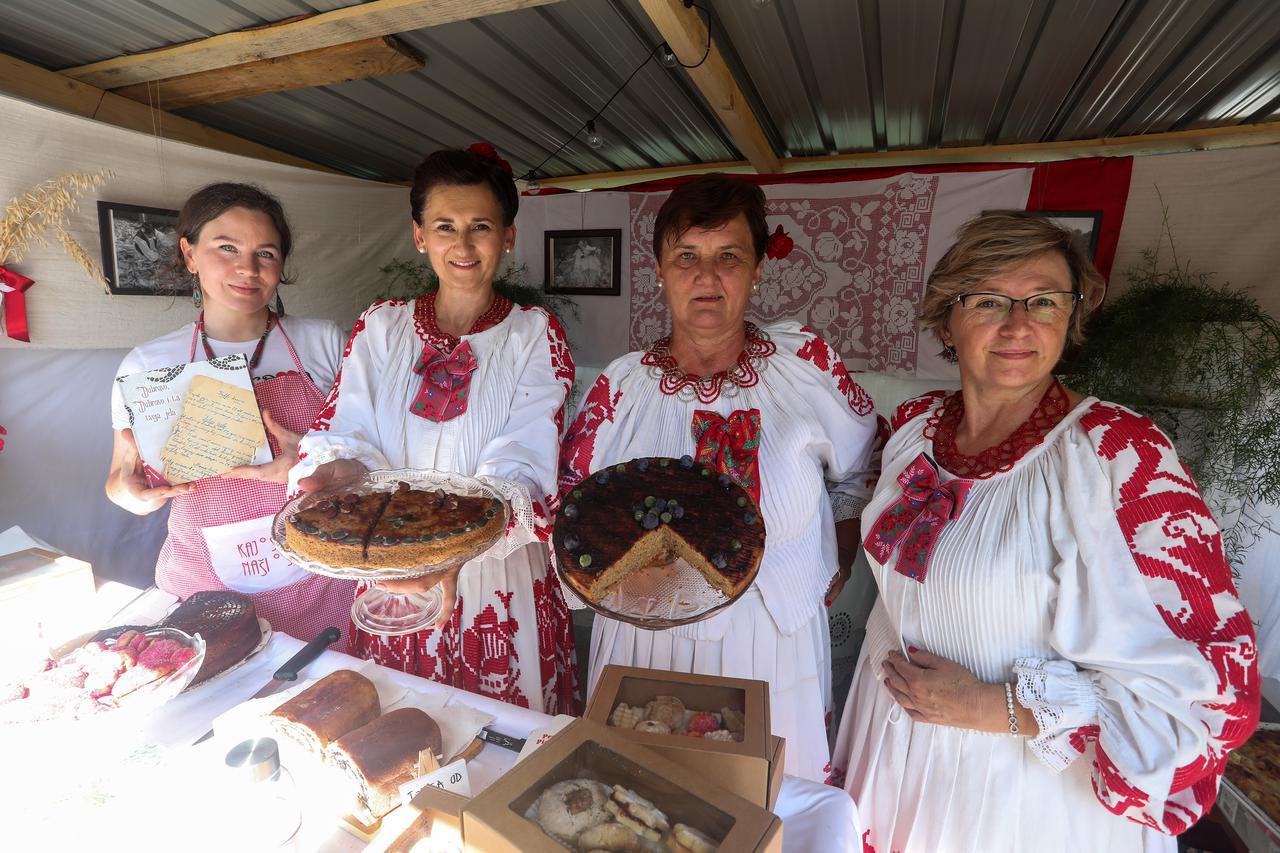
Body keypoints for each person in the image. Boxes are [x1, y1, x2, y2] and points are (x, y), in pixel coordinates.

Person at [830, 212, 1259, 852]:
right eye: (989, 301)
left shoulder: (1116, 454)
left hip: (1019, 796)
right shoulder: (916, 430)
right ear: (947, 317)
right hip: (890, 751)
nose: (1019, 324)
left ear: (1071, 317)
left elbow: (1206, 685)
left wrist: (992, 707)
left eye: (1044, 301)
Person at [560, 174, 881, 782]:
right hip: (643, 640)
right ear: (659, 270)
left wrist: (836, 551)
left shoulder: (803, 368)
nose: (707, 277)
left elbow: (864, 465)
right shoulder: (622, 389)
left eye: (729, 257)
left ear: (757, 270)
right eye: (687, 257)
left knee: (768, 802)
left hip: (775, 639)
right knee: (640, 800)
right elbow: (575, 510)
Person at [290, 145, 579, 715]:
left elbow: (525, 452)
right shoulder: (381, 326)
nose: (463, 245)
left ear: (507, 237)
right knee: (396, 737)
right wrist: (343, 468)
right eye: (445, 226)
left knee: (498, 746)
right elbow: (348, 422)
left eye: (481, 227)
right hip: (390, 566)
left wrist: (455, 547)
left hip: (497, 574)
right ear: (420, 235)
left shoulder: (535, 334)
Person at [107, 182, 354, 642]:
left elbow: (369, 462)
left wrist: (312, 463)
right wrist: (130, 492)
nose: (247, 268)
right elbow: (121, 480)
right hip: (203, 584)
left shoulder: (324, 343)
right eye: (227, 248)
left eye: (266, 253)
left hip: (323, 575)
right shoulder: (147, 365)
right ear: (189, 253)